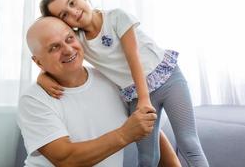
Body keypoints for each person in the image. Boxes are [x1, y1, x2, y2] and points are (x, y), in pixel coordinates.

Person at [38, 0, 209, 167]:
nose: (73, 12)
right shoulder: (77, 41)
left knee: (188, 143)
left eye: (72, 3)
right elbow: (51, 62)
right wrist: (42, 78)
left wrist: (144, 99)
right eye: (64, 15)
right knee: (147, 156)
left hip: (168, 80)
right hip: (135, 93)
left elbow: (133, 57)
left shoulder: (116, 17)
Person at [18, 16, 165, 166]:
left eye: (69, 39)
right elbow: (66, 159)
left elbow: (146, 123)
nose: (68, 50)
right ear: (38, 62)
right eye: (54, 47)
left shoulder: (111, 79)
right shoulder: (33, 99)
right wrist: (124, 135)